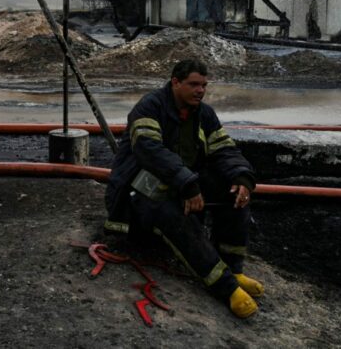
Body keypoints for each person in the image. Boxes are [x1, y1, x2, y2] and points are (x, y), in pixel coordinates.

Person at [104, 58, 263, 318]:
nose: (200, 90)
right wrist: (188, 184)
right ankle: (227, 288)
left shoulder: (204, 113)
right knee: (173, 215)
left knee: (235, 194)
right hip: (137, 192)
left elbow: (224, 149)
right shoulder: (150, 107)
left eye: (204, 85)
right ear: (175, 82)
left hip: (181, 182)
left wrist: (242, 177)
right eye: (193, 84)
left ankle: (234, 269)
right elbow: (149, 151)